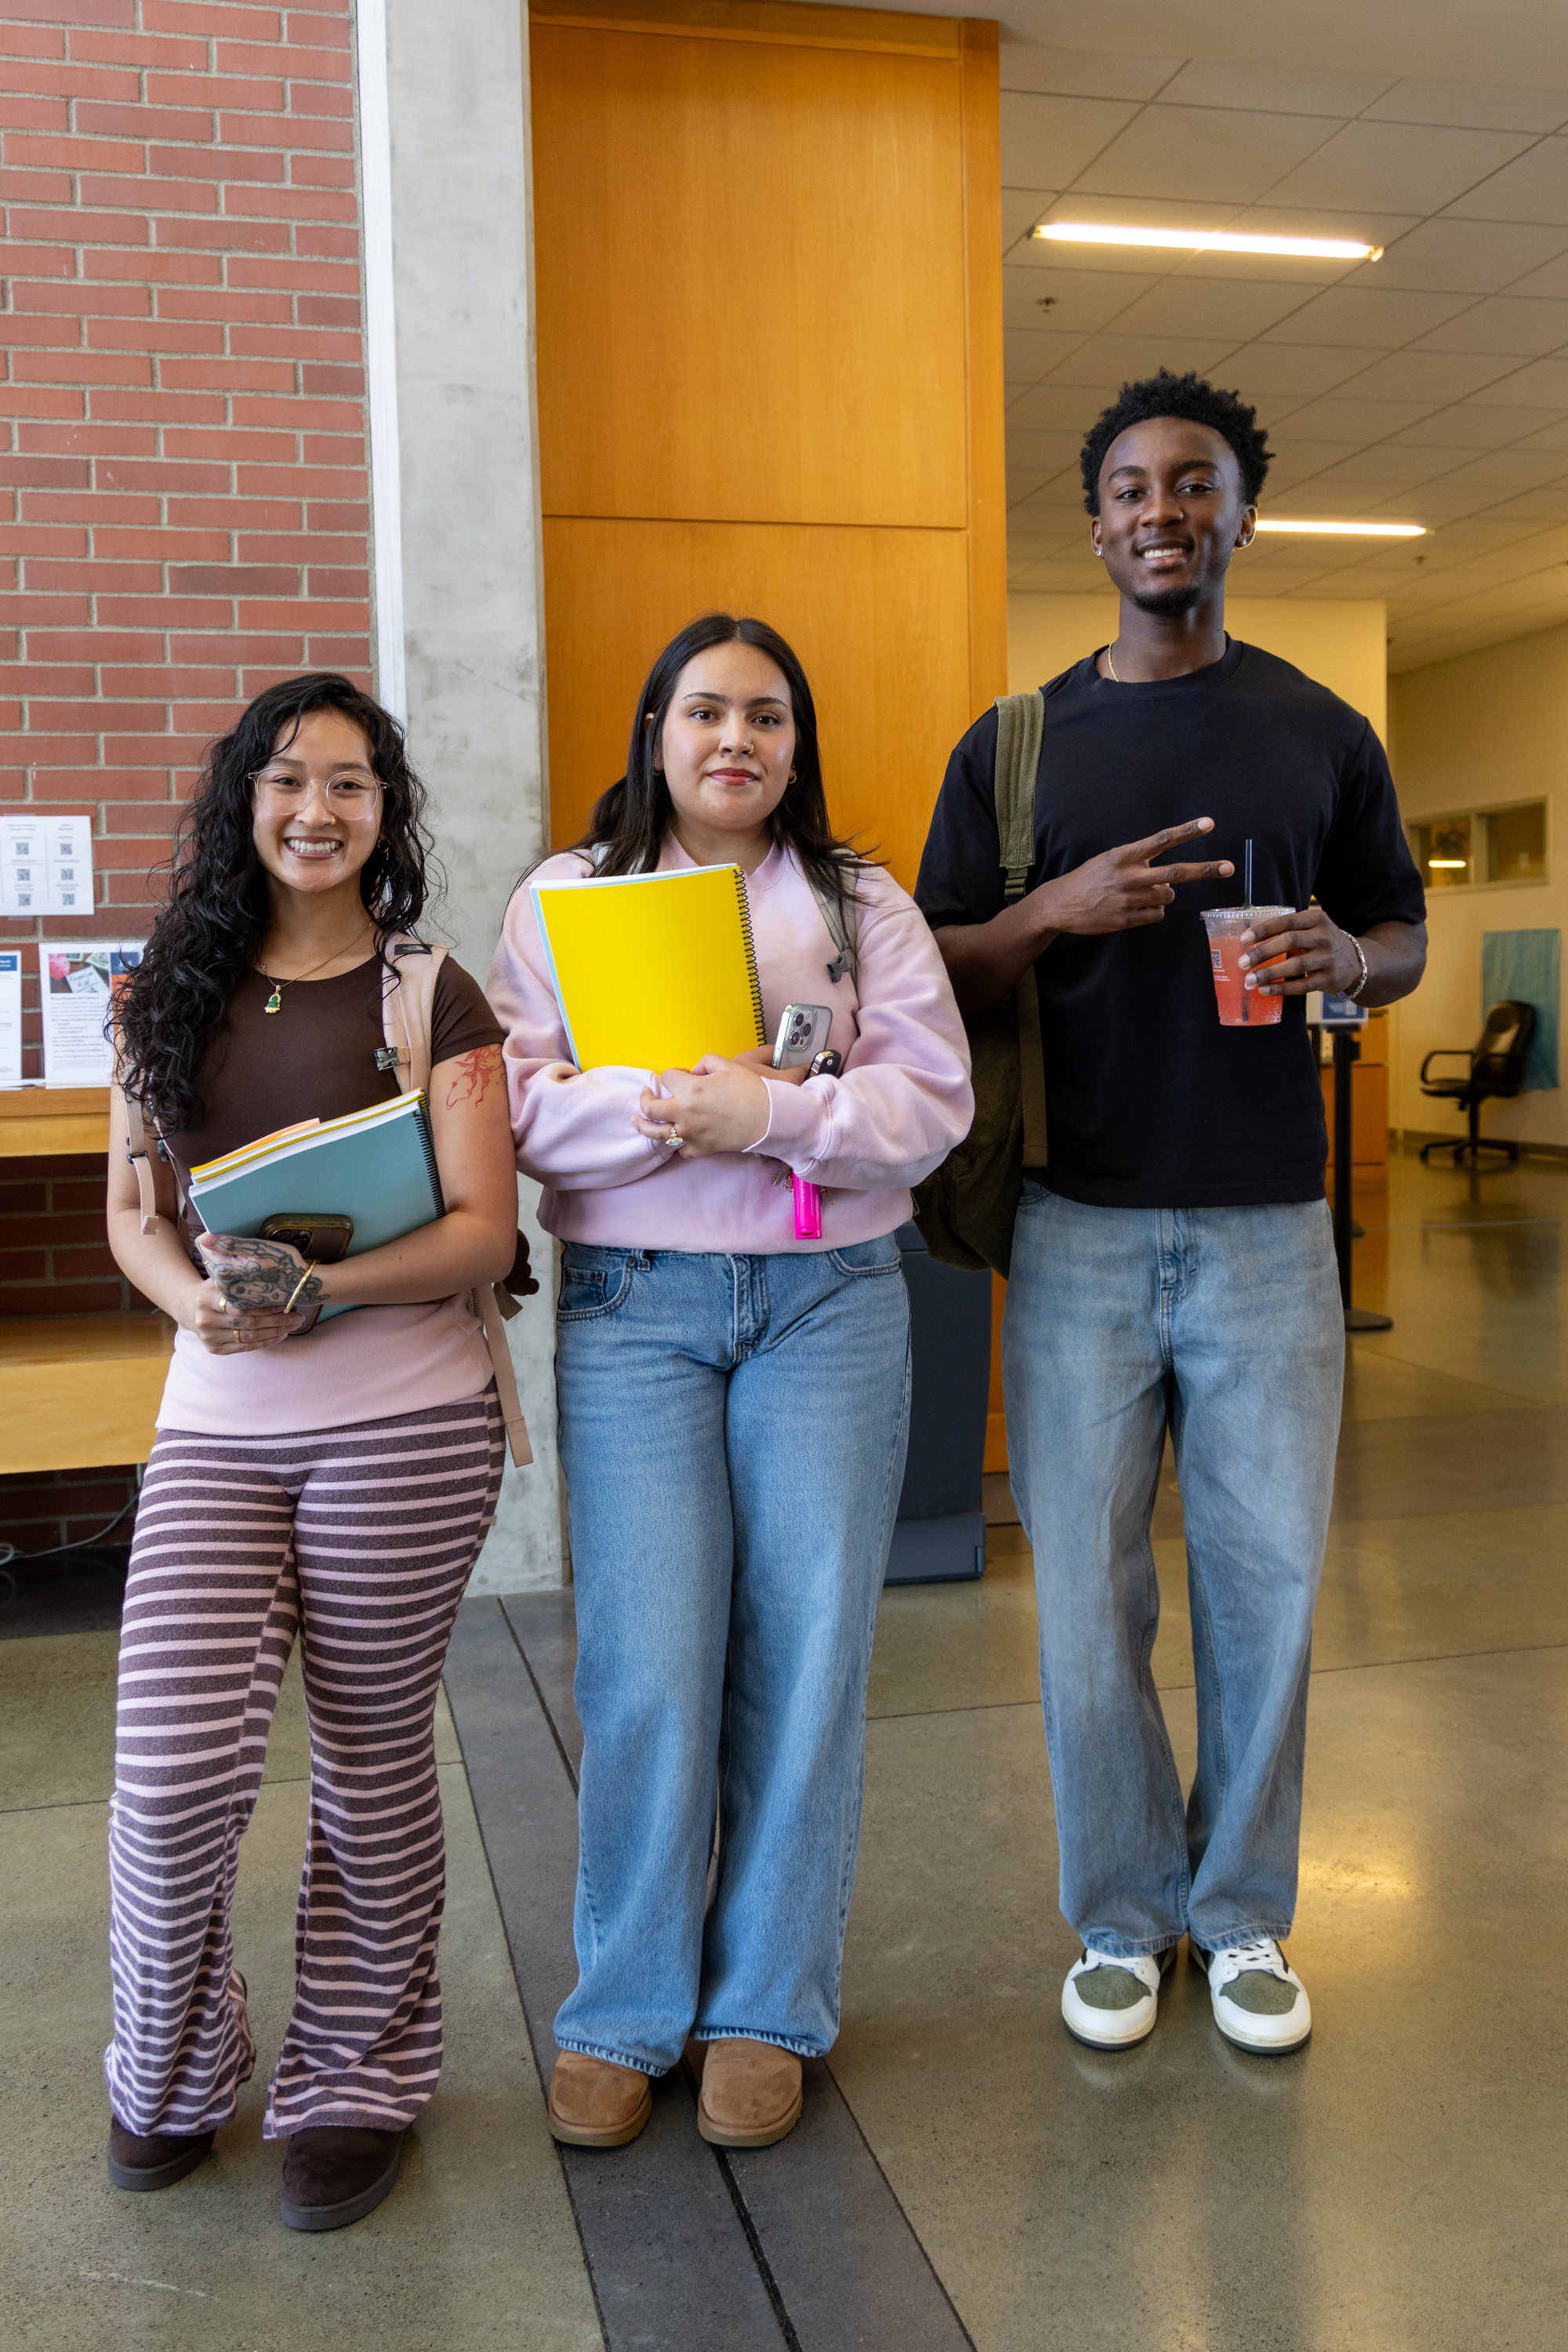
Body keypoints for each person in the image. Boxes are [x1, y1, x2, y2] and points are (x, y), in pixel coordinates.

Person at [916, 371, 1426, 2056]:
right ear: (1095, 523)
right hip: (1074, 1225)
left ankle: (1244, 1916)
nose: (1163, 512)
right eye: (1132, 487)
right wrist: (1049, 908)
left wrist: (1347, 964)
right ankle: (1123, 1918)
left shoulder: (1316, 729)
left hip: (1275, 1227)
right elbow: (923, 969)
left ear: (1239, 515)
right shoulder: (1015, 745)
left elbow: (1398, 932)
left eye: (1194, 485)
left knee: (1268, 1584)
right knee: (1086, 1598)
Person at [488, 612, 971, 2149]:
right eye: (704, 712)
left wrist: (770, 1110)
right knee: (646, 1659)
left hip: (831, 1302)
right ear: (655, 731)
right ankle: (625, 2008)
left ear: (796, 745)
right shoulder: (570, 895)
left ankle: (767, 2003)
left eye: (767, 717)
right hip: (635, 1305)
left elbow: (929, 1101)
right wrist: (666, 1108)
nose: (735, 742)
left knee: (808, 1648)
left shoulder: (858, 900)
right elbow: (514, 1101)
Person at [103, 673, 524, 2230]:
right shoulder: (159, 992)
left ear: (383, 816)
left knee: (364, 1759)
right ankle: (171, 2068)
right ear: (243, 800)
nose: (318, 809)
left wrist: (322, 1287)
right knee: (168, 1777)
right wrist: (202, 1298)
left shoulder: (432, 996)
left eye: (352, 784)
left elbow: (487, 1226)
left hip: (406, 1419)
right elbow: (135, 1218)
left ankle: (356, 2080)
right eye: (289, 779)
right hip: (217, 1423)